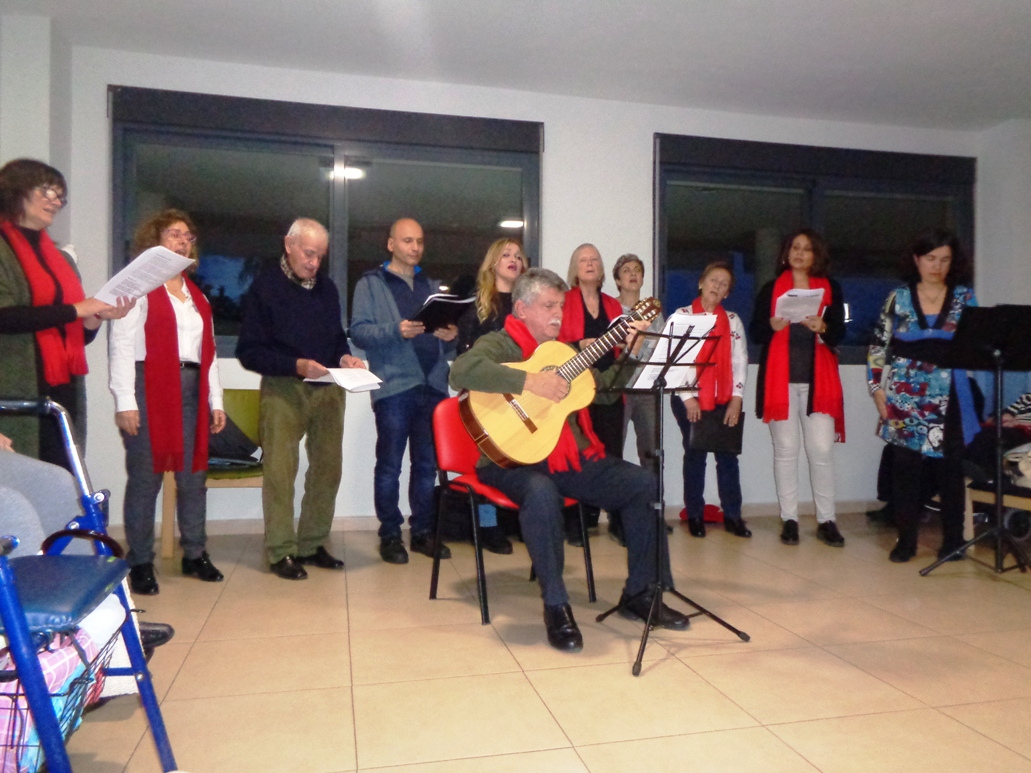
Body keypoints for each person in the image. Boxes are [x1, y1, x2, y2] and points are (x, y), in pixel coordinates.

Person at [450, 268, 688, 651]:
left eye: (560, 306)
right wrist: (530, 382)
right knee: (541, 493)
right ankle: (556, 605)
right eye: (549, 306)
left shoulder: (566, 353)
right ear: (523, 308)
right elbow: (462, 371)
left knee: (643, 483)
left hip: (566, 458)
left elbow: (606, 396)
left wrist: (628, 352)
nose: (558, 314)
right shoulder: (501, 343)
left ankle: (641, 595)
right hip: (508, 461)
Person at [237, 218, 365, 579]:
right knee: (280, 471)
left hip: (328, 389)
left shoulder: (327, 288)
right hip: (283, 389)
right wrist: (295, 365)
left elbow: (337, 338)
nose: (314, 263)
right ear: (288, 245)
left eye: (320, 256)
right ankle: (281, 552)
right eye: (309, 253)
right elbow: (250, 353)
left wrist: (345, 358)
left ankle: (311, 544)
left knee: (327, 470)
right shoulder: (264, 288)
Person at [109, 209, 228, 595]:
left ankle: (195, 553)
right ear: (154, 242)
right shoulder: (139, 288)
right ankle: (140, 561)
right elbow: (122, 345)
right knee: (146, 479)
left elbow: (206, 354)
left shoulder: (198, 298)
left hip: (193, 389)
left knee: (194, 479)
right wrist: (126, 400)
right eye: (174, 234)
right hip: (150, 389)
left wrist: (217, 401)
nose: (182, 241)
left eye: (188, 236)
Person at [0, 158, 132, 468]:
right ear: (15, 191)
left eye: (60, 195)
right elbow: (5, 317)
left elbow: (73, 332)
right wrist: (78, 309)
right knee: (21, 483)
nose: (56, 201)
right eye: (47, 191)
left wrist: (95, 317)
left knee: (61, 478)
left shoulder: (63, 259)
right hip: (16, 384)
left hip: (63, 389)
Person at [350, 217, 457, 564]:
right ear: (391, 244)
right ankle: (391, 535)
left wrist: (451, 338)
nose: (415, 248)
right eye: (408, 241)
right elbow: (360, 333)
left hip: (434, 387)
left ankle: (423, 532)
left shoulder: (434, 285)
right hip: (395, 388)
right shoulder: (371, 284)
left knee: (426, 467)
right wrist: (397, 331)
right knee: (390, 466)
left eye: (420, 242)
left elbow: (451, 347)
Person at [867, 228, 978, 562]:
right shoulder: (897, 298)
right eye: (931, 258)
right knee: (906, 471)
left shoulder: (965, 298)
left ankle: (953, 541)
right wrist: (876, 389)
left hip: (952, 395)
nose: (937, 266)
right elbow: (878, 346)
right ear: (916, 259)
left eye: (945, 259)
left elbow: (977, 347)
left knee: (952, 470)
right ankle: (906, 541)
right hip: (905, 395)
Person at [749, 229, 846, 547]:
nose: (801, 253)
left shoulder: (831, 288)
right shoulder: (770, 289)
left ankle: (826, 521)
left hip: (819, 382)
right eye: (795, 247)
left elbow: (839, 336)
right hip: (781, 383)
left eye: (807, 249)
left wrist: (824, 327)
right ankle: (789, 520)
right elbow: (757, 332)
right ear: (785, 253)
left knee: (821, 452)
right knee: (786, 452)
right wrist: (772, 325)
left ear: (816, 255)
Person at [454, 238, 527, 554]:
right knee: (487, 461)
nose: (513, 259)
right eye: (506, 254)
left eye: (518, 256)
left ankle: (524, 521)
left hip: (524, 396)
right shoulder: (476, 305)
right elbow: (464, 357)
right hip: (486, 398)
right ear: (493, 263)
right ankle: (488, 527)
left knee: (525, 458)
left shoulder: (528, 305)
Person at [671, 262, 751, 538]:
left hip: (725, 398)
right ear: (701, 283)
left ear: (727, 293)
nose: (717, 286)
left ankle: (733, 516)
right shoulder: (681, 316)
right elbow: (674, 361)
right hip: (688, 398)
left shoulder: (733, 320)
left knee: (728, 458)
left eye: (724, 283)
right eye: (713, 280)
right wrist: (688, 397)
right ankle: (694, 514)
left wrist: (737, 399)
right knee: (695, 454)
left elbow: (740, 360)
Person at [558, 243, 626, 545]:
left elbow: (620, 345)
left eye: (594, 259)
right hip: (576, 389)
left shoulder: (613, 304)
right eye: (583, 260)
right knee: (579, 452)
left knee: (611, 454)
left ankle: (615, 518)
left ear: (601, 269)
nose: (589, 264)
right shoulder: (564, 300)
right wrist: (578, 345)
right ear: (575, 268)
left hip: (609, 387)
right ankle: (578, 519)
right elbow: (555, 344)